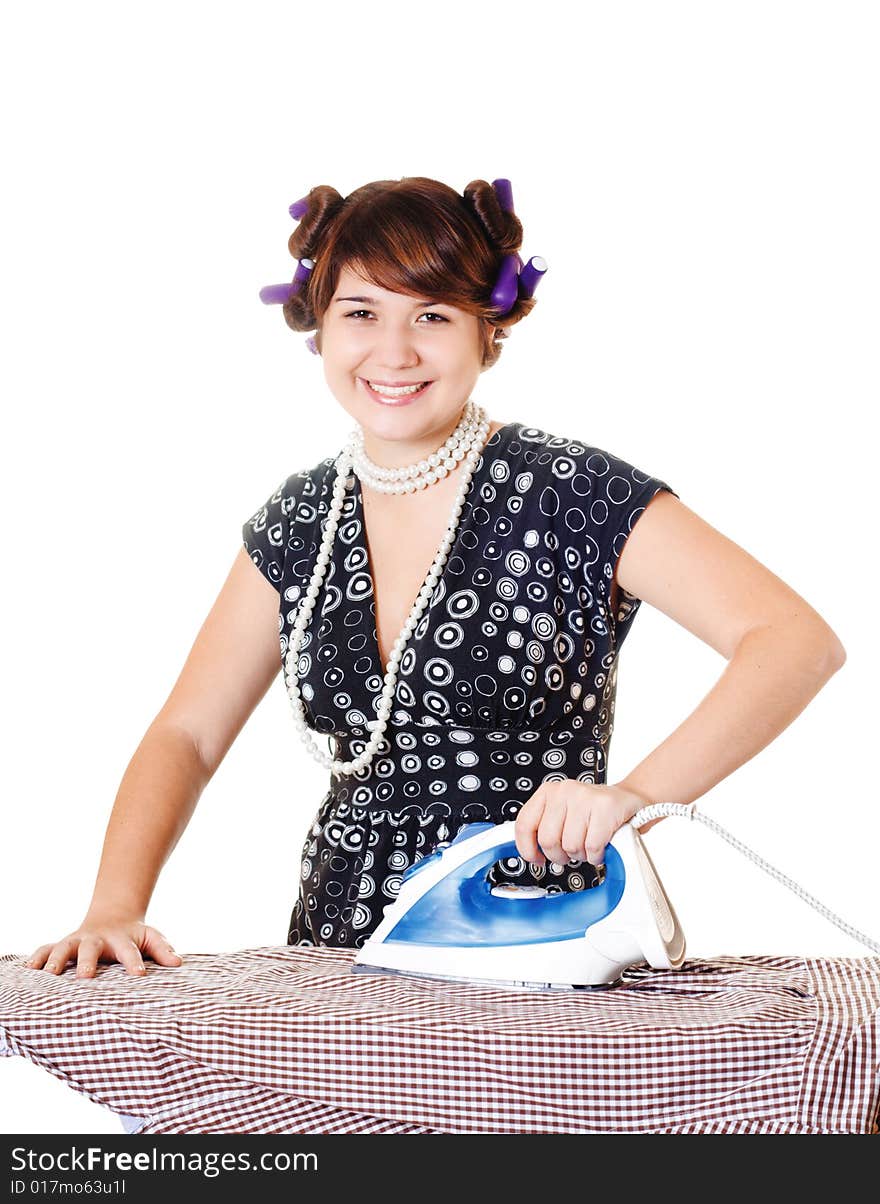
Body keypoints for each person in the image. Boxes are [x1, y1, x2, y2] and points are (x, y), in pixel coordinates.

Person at [25, 176, 846, 975]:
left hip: (538, 932)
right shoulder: (299, 521)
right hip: (337, 948)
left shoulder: (572, 494)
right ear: (320, 327)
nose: (394, 351)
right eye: (361, 313)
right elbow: (189, 735)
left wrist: (632, 795)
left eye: (431, 314)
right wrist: (113, 906)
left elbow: (792, 641)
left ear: (489, 329)